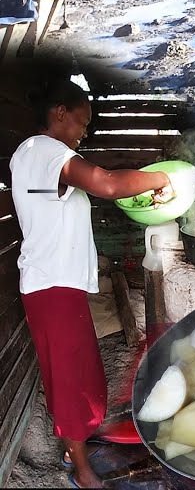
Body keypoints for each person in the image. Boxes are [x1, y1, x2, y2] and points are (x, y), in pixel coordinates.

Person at [9, 78, 172, 489]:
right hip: (52, 286)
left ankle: (74, 448)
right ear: (59, 112)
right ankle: (83, 472)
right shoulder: (44, 151)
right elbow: (108, 184)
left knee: (76, 372)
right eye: (81, 122)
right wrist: (158, 178)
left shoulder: (32, 156)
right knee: (70, 381)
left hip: (55, 285)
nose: (83, 132)